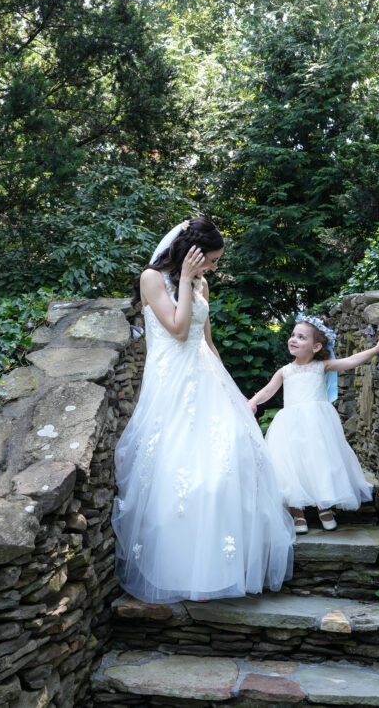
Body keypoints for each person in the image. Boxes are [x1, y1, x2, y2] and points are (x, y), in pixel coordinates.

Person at [112, 218, 295, 604]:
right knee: (179, 470)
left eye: (213, 262)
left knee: (233, 458)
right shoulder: (152, 279)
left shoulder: (201, 283)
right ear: (191, 252)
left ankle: (227, 564)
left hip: (206, 379)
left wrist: (230, 388)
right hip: (171, 384)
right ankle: (182, 568)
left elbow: (206, 342)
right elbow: (178, 330)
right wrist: (185, 279)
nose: (212, 268)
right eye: (210, 260)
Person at [249, 314, 379, 534]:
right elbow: (268, 391)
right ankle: (297, 512)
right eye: (293, 335)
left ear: (316, 346)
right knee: (290, 466)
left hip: (317, 425)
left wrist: (376, 349)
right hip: (290, 426)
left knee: (321, 461)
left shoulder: (321, 366)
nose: (293, 339)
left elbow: (350, 362)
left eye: (301, 337)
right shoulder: (285, 371)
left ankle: (325, 506)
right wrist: (253, 402)